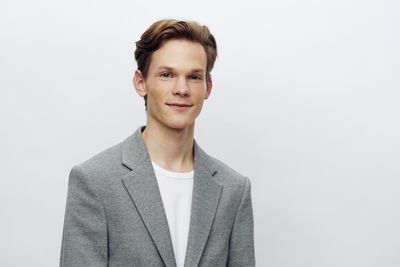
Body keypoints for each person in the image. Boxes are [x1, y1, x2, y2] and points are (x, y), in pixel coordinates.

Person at [60, 19, 255, 267]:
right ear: (140, 83)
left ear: (208, 87)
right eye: (167, 75)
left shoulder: (234, 190)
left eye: (194, 77)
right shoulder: (94, 181)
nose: (181, 89)